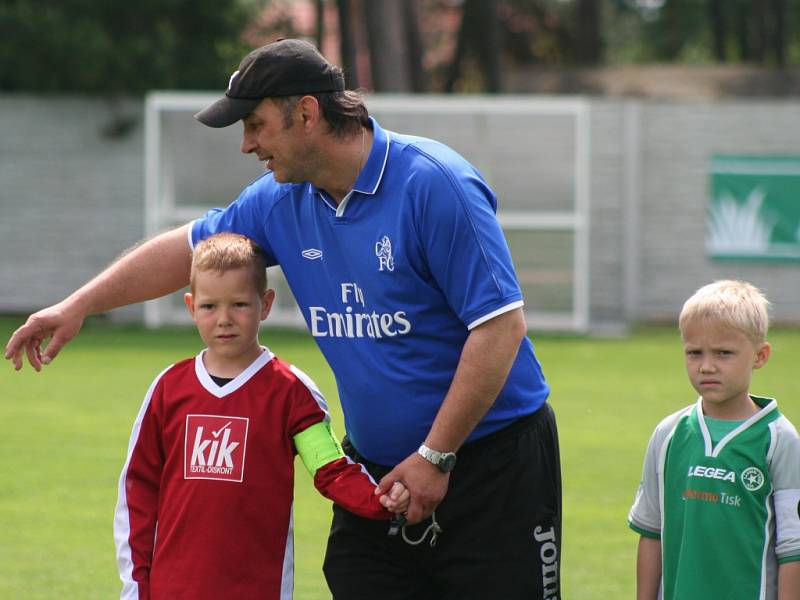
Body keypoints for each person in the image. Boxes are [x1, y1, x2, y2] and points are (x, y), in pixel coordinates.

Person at [6, 39, 561, 599]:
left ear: (306, 113)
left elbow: (499, 327)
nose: (247, 144)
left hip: (495, 468)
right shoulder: (279, 200)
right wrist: (77, 305)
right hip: (376, 476)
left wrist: (435, 455)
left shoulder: (435, 184)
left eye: (256, 124)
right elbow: (188, 251)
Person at [115, 232, 409, 599]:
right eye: (209, 307)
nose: (224, 319)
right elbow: (138, 493)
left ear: (265, 304)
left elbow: (330, 468)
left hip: (259, 587)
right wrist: (136, 587)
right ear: (191, 307)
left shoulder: (291, 391)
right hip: (173, 588)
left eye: (239, 304)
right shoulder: (167, 390)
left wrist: (379, 500)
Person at [628, 280, 800, 600]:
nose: (707, 366)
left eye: (724, 353)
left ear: (760, 356)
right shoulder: (668, 435)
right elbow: (651, 533)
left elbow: (793, 550)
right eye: (695, 353)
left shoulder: (780, 441)